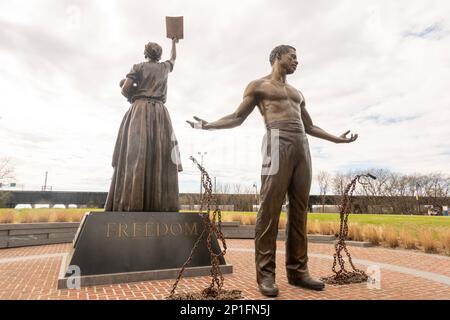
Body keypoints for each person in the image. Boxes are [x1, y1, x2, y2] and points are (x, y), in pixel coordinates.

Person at [187, 45, 358, 297]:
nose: (297, 61)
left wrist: (337, 140)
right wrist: (208, 125)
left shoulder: (297, 92)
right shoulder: (258, 86)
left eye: (298, 57)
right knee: (269, 209)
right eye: (293, 56)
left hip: (301, 145)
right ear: (278, 57)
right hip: (276, 140)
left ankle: (298, 272)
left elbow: (310, 126)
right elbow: (237, 117)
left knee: (299, 210)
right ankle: (266, 275)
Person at [105, 38, 182, 212]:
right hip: (160, 113)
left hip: (139, 110)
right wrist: (174, 43)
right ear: (159, 55)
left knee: (135, 154)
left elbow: (125, 89)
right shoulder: (164, 67)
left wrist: (132, 92)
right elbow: (174, 58)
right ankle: (160, 204)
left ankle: (131, 203)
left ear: (145, 53)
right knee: (160, 153)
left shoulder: (138, 66)